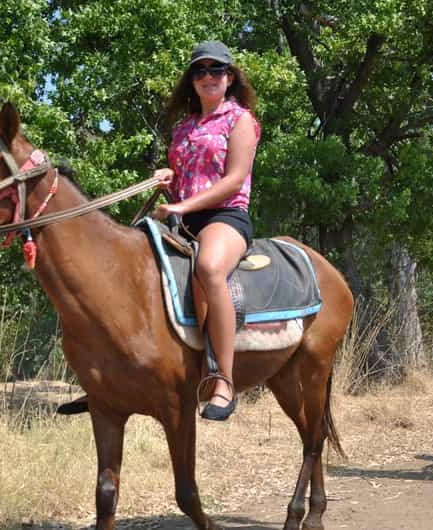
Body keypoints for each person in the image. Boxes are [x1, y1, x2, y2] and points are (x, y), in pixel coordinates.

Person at [152, 40, 260, 421]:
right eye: (201, 71)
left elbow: (232, 181)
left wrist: (181, 205)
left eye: (217, 70)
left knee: (210, 268)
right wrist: (170, 178)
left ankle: (223, 381)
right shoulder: (184, 127)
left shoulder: (240, 120)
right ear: (193, 81)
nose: (208, 77)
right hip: (183, 217)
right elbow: (188, 176)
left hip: (225, 216)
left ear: (229, 78)